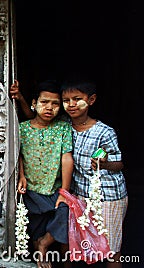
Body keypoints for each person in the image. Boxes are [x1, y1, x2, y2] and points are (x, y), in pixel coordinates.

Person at [61, 80, 128, 268]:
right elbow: (36, 120)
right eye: (66, 100)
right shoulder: (64, 127)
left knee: (111, 248)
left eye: (77, 99)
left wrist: (104, 164)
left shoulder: (104, 132)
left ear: (91, 100)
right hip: (80, 194)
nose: (71, 104)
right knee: (77, 243)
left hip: (108, 196)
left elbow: (120, 164)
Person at [17, 80, 74, 268]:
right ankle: (41, 253)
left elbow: (66, 157)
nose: (49, 108)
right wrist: (22, 175)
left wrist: (64, 192)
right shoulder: (22, 128)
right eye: (44, 102)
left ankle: (45, 243)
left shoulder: (63, 128)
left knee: (66, 213)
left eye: (55, 104)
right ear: (34, 104)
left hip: (55, 188)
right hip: (32, 187)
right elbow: (18, 154)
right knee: (35, 224)